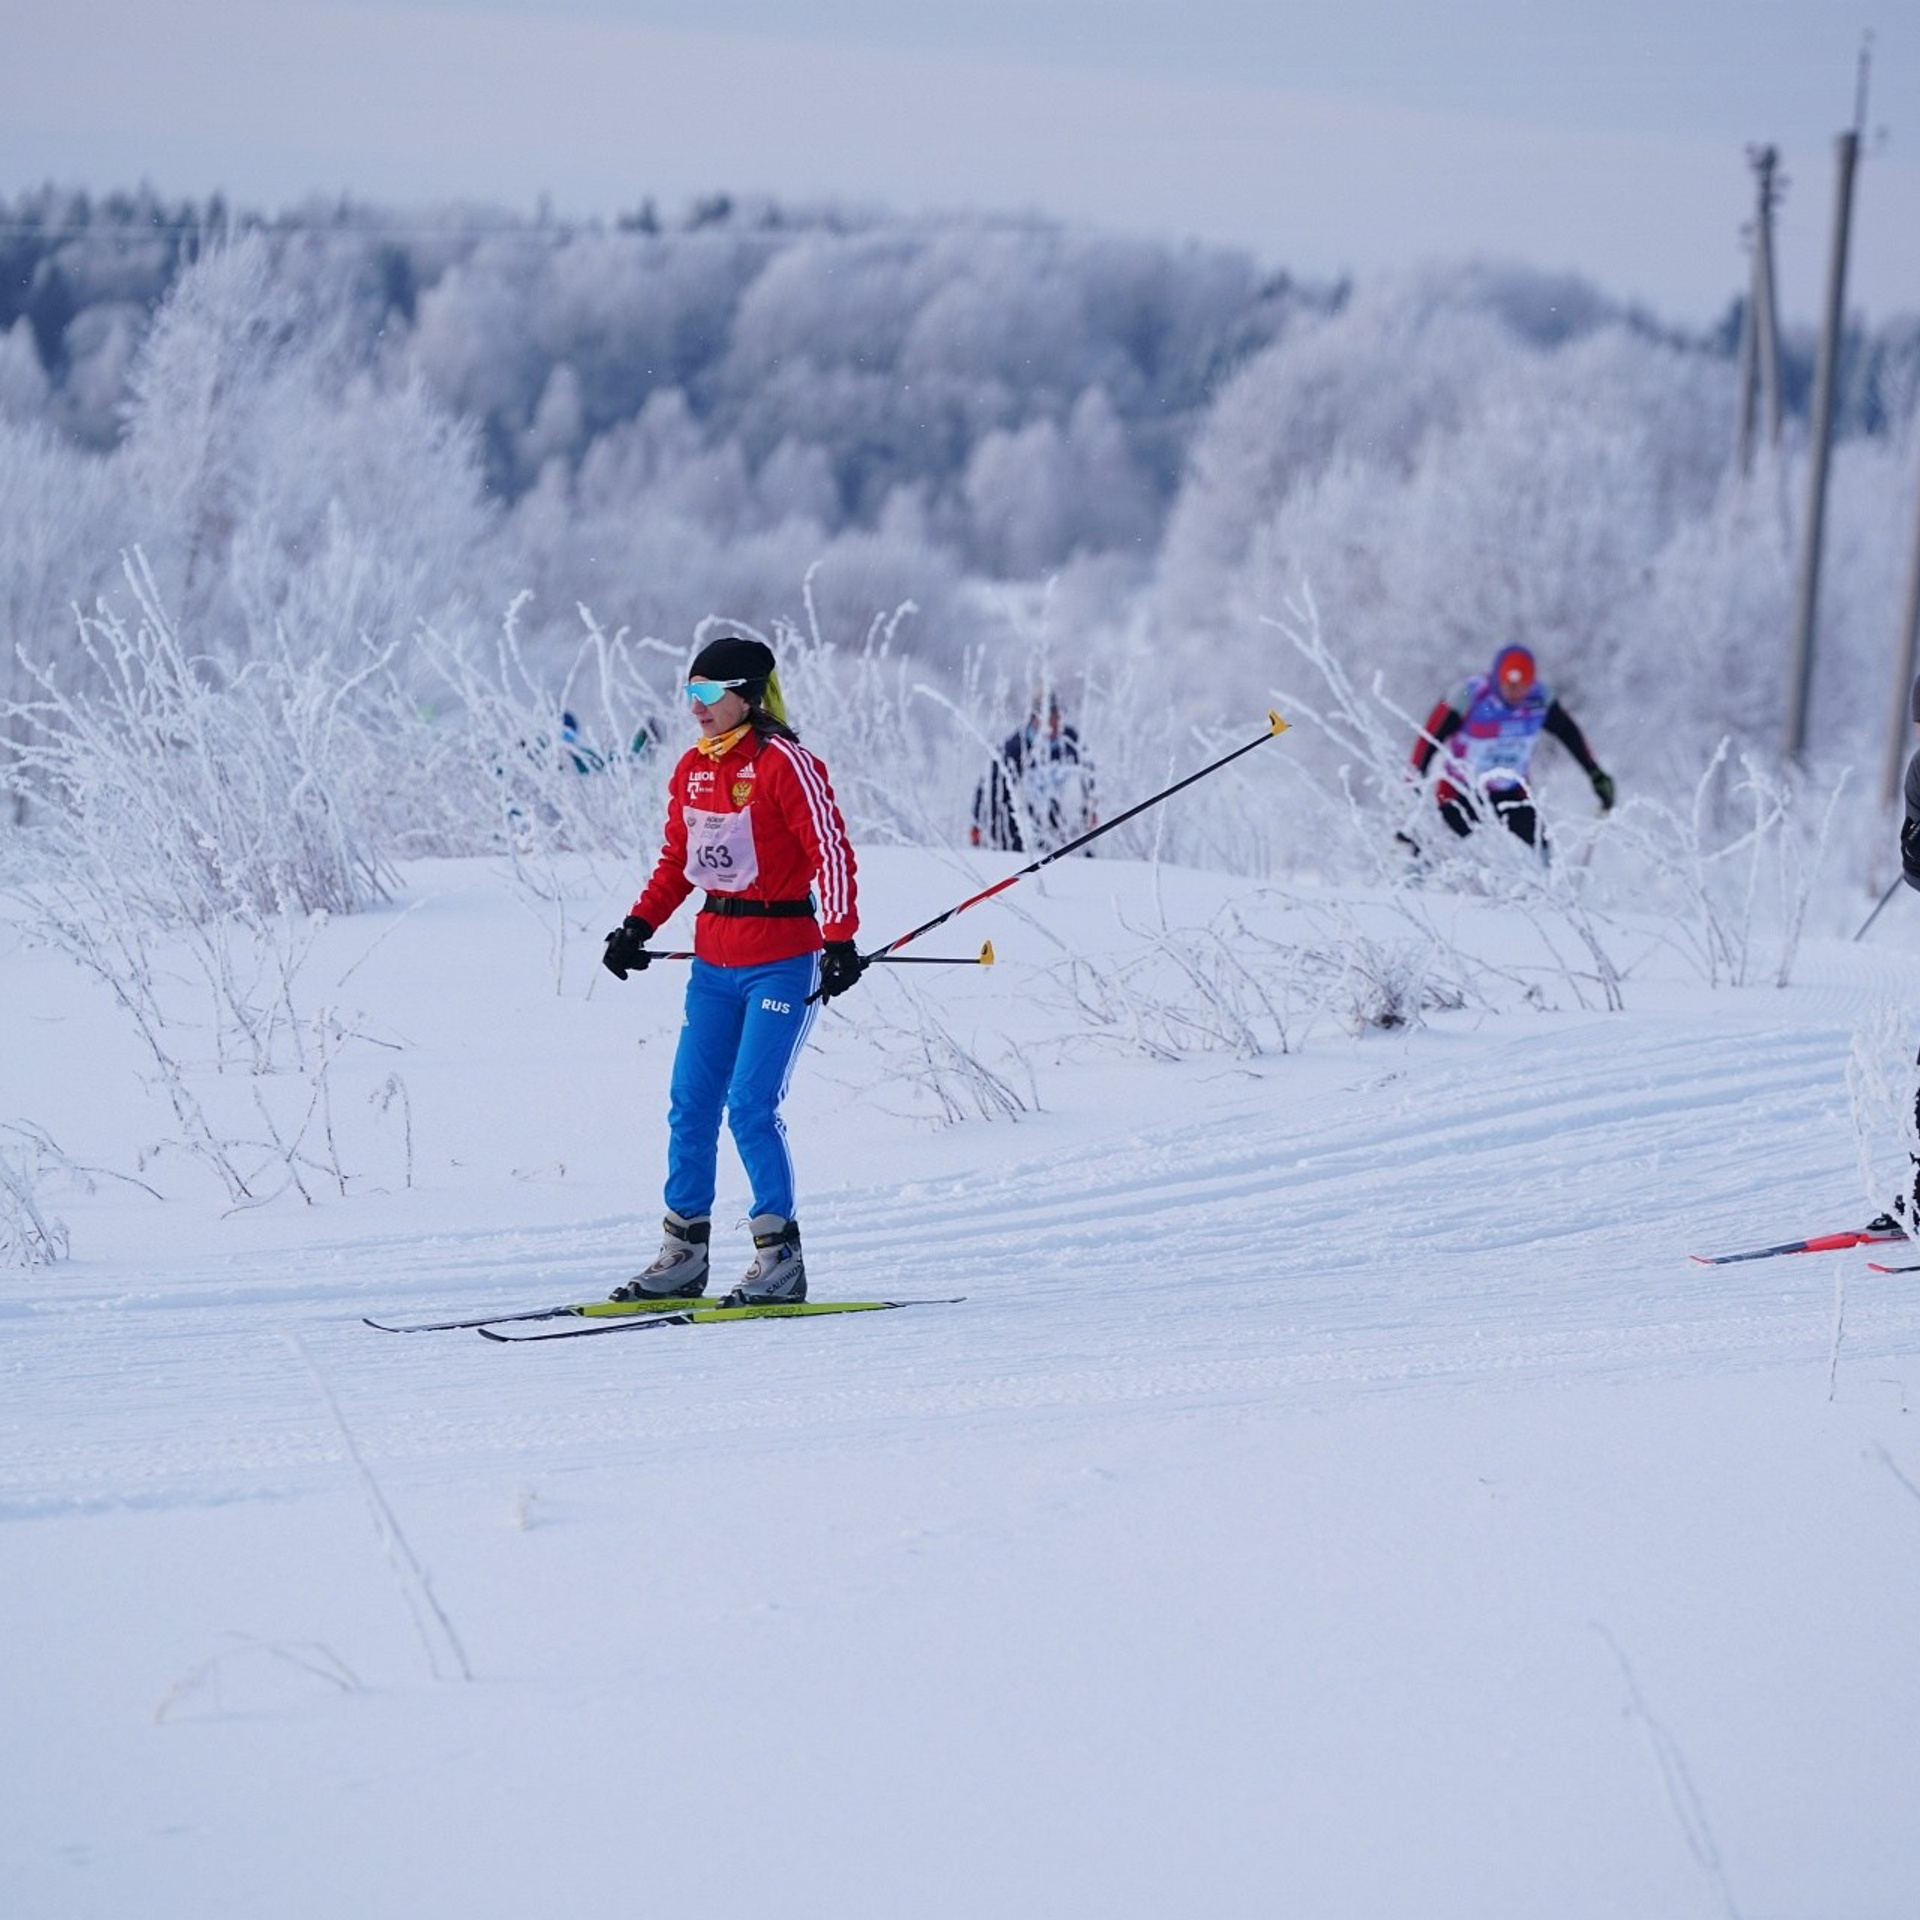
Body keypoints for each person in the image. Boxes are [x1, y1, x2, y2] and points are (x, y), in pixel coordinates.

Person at [600, 635, 864, 1306]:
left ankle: (780, 1259)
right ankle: (682, 1253)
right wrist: (637, 927)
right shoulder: (692, 768)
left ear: (746, 694)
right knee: (690, 1105)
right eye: (689, 693)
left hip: (781, 961)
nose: (696, 707)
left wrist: (839, 939)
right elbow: (676, 862)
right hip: (714, 964)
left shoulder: (785, 764)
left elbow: (830, 851)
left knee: (750, 1106)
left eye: (708, 694)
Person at [1408, 644, 1615, 851]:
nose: (1515, 694)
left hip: (1511, 792)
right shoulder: (1468, 696)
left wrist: (1594, 772)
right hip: (1460, 791)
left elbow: (1570, 734)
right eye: (1509, 685)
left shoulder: (1538, 701)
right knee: (1434, 848)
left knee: (1540, 847)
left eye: (1523, 687)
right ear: (1498, 679)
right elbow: (1427, 739)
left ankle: (1546, 881)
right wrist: (1413, 783)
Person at [972, 689, 1096, 853]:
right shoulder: (1014, 749)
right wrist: (978, 825)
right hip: (1021, 835)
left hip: (1067, 833)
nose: (1055, 722)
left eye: (1059, 716)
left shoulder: (1071, 743)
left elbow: (1089, 778)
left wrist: (1090, 809)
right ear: (1035, 717)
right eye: (1050, 716)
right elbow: (990, 790)